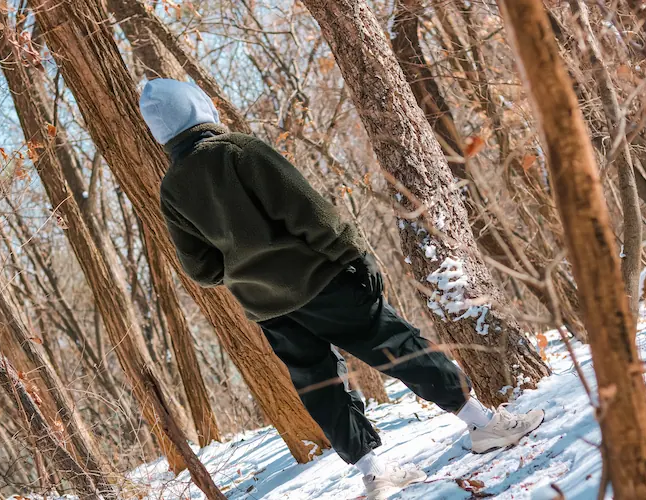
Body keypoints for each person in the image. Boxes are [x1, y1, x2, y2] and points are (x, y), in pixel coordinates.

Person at [140, 78, 544, 499]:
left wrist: (246, 265)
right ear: (198, 108)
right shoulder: (239, 151)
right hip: (320, 280)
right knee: (396, 344)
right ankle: (483, 425)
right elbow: (308, 210)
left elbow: (202, 270)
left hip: (268, 308)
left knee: (319, 384)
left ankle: (374, 472)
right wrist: (354, 255)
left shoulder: (172, 189)